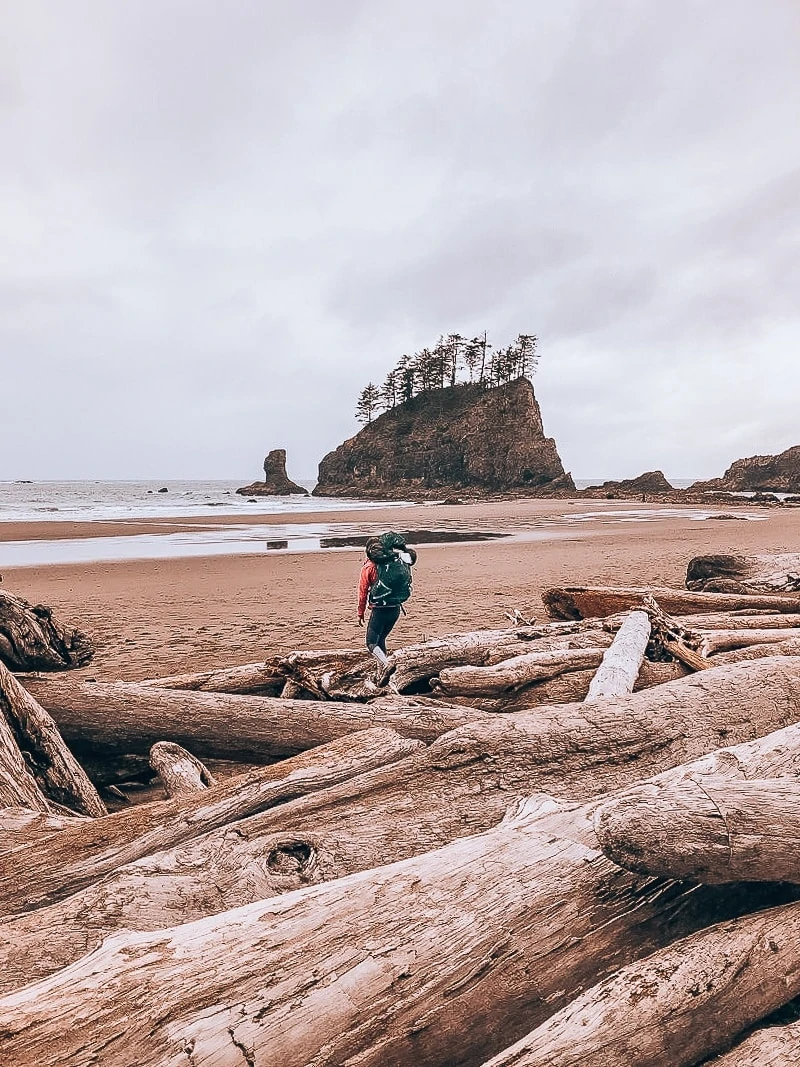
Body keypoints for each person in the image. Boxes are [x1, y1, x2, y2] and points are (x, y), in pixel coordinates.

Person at [357, 534, 416, 666]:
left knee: (371, 643)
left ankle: (386, 665)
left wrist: (360, 612)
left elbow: (363, 592)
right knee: (381, 638)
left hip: (380, 610)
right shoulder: (393, 563)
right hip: (396, 608)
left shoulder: (369, 567)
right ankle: (383, 668)